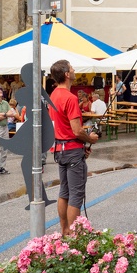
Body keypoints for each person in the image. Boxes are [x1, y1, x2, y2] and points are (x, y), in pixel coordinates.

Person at [47, 60, 99, 235]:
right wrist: (89, 139)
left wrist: (80, 144)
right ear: (67, 74)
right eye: (71, 68)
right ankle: (75, 235)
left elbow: (60, 126)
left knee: (64, 192)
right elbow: (77, 130)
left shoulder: (53, 95)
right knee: (76, 194)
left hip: (59, 149)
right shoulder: (70, 97)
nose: (74, 69)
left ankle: (64, 230)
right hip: (71, 150)